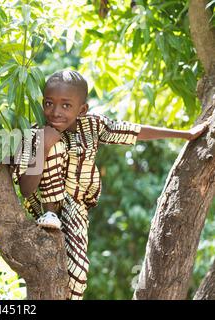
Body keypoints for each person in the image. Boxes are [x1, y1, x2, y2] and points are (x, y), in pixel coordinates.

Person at [12, 69, 209, 300]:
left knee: (78, 276)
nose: (55, 112)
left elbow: (133, 131)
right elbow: (25, 189)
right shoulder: (35, 132)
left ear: (82, 109)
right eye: (48, 103)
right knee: (51, 141)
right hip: (42, 206)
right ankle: (50, 213)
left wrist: (184, 135)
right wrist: (44, 147)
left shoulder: (93, 126)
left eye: (66, 105)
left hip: (75, 206)